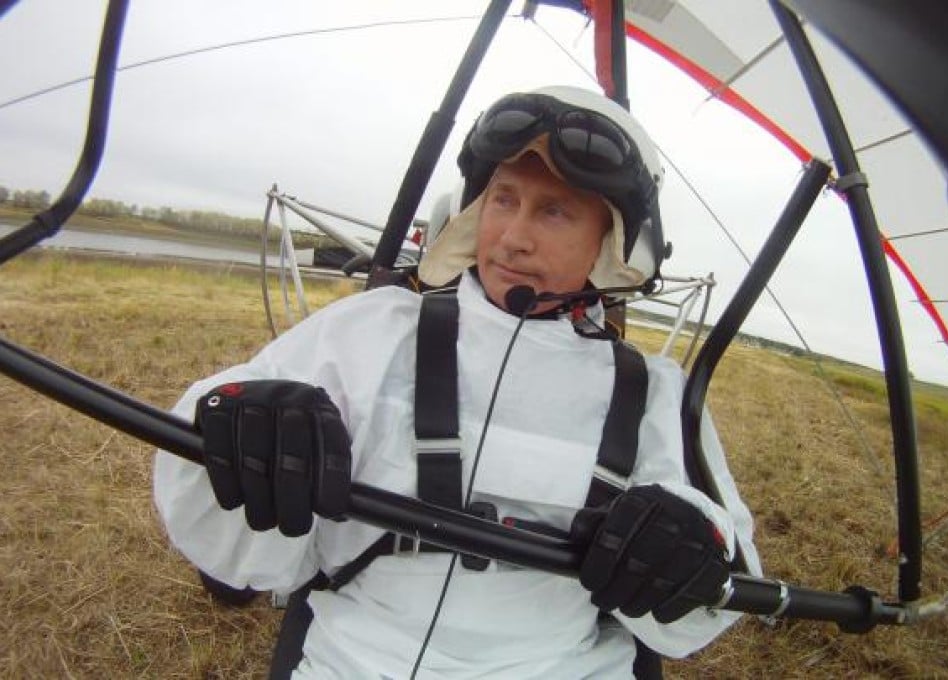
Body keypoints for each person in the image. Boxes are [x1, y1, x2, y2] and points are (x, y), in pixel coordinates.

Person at [154, 85, 760, 679]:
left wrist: (695, 543)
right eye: (503, 199)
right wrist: (231, 418)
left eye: (553, 210)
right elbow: (217, 510)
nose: (513, 236)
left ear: (615, 241)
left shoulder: (655, 391)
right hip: (354, 660)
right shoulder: (367, 329)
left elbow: (714, 592)